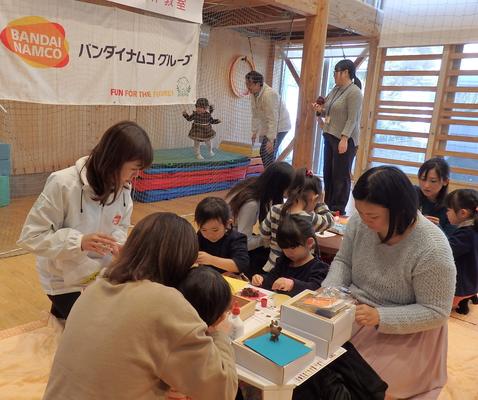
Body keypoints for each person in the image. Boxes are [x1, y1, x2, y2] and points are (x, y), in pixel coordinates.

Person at [43, 212, 238, 400]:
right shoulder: (166, 303)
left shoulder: (97, 286)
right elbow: (223, 390)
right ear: (181, 262)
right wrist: (220, 333)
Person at [321, 166, 456, 399]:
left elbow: (436, 311)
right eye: (360, 212)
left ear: (400, 210)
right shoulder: (359, 223)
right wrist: (329, 291)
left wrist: (380, 317)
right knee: (310, 356)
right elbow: (343, 261)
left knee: (360, 381)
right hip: (354, 309)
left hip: (405, 328)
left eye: (372, 216)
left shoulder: (432, 248)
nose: (364, 220)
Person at [17, 121, 153, 320]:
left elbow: (121, 225)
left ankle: (62, 314)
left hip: (97, 274)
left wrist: (118, 244)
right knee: (95, 327)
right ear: (114, 160)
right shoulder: (63, 183)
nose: (136, 175)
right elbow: (31, 236)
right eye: (134, 169)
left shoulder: (124, 188)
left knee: (120, 312)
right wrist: (79, 242)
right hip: (61, 279)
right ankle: (64, 308)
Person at [167, 266, 233, 400]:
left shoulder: (165, 326)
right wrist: (221, 336)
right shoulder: (197, 350)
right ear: (220, 317)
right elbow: (226, 389)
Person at [312, 59, 363, 215]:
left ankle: (338, 209)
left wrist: (344, 138)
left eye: (336, 72)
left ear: (346, 73)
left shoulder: (354, 92)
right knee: (328, 173)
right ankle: (328, 205)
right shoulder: (336, 89)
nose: (334, 75)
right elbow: (328, 109)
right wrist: (319, 110)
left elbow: (352, 119)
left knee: (341, 176)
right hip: (330, 135)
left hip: (345, 140)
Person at [227, 161, 294, 276]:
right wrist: (266, 239)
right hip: (229, 244)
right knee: (274, 259)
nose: (291, 191)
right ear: (279, 185)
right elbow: (244, 243)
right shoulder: (251, 203)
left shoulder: (257, 186)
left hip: (236, 236)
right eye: (289, 187)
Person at [260, 168, 334, 271]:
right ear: (314, 198)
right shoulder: (310, 218)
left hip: (273, 267)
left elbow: (264, 234)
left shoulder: (275, 210)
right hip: (299, 272)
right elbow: (330, 220)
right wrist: (320, 202)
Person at [252, 214, 329, 297]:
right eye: (284, 248)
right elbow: (272, 278)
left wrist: (293, 284)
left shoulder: (319, 268)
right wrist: (261, 279)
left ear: (309, 243)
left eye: (292, 248)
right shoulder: (284, 261)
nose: (288, 253)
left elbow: (316, 289)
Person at [245, 71, 291, 168]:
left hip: (280, 125)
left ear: (258, 84)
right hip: (269, 125)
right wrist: (254, 132)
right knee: (265, 153)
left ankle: (271, 179)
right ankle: (271, 177)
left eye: (250, 84)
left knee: (267, 153)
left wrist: (271, 140)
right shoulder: (254, 94)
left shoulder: (269, 95)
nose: (248, 87)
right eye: (246, 84)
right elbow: (255, 114)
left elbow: (273, 118)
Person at [195, 196, 249, 275]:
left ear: (227, 223)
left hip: (231, 280)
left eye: (215, 230)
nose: (209, 235)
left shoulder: (237, 238)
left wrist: (211, 260)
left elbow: (241, 265)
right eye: (204, 230)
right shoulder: (200, 235)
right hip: (207, 278)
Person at [445, 189, 478, 315]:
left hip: (462, 284)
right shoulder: (474, 229)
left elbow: (447, 252)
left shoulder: (465, 233)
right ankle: (468, 299)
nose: (446, 213)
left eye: (448, 210)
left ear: (462, 213)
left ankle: (461, 302)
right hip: (473, 280)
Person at [416, 157, 455, 236]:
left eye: (433, 181)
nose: (426, 185)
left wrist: (437, 228)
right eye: (423, 179)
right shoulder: (411, 194)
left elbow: (451, 242)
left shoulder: (452, 206)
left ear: (445, 181)